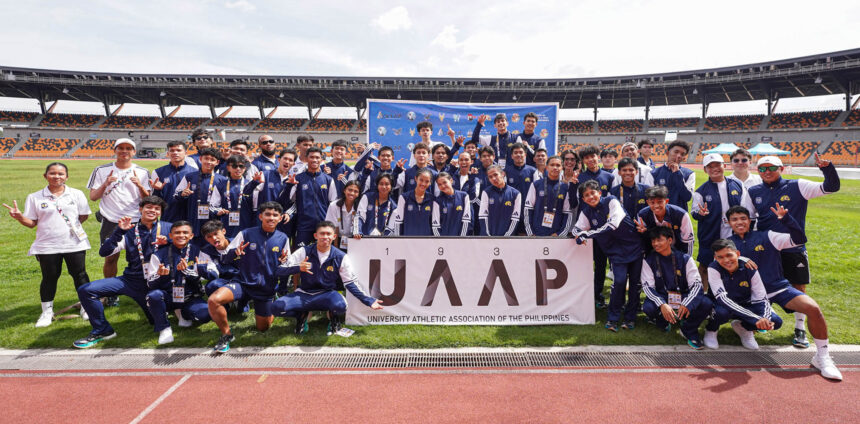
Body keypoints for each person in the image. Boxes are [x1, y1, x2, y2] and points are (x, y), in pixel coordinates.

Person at [726, 205, 842, 380]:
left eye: (743, 218)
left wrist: (787, 220)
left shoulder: (768, 236)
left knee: (813, 308)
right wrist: (741, 258)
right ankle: (744, 327)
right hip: (751, 295)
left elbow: (800, 239)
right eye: (734, 219)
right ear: (728, 223)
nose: (739, 222)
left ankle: (822, 357)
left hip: (777, 288)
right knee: (772, 321)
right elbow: (721, 264)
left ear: (750, 220)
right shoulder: (727, 243)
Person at [748, 153, 840, 348]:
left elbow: (831, 187)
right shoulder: (753, 191)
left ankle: (800, 328)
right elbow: (749, 219)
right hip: (768, 249)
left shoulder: (798, 185)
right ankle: (759, 321)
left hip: (793, 245)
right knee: (762, 285)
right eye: (762, 168)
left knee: (798, 287)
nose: (767, 172)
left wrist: (828, 169)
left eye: (772, 168)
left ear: (781, 169)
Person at [73, 196, 171, 348]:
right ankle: (103, 330)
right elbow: (104, 252)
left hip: (156, 283)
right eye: (148, 207)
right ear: (141, 209)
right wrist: (119, 231)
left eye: (157, 208)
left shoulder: (169, 228)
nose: (152, 210)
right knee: (86, 290)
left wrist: (169, 242)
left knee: (154, 320)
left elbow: (185, 249)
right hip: (131, 280)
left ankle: (166, 312)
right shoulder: (129, 230)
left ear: (161, 212)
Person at [5, 163, 91, 327]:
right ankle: (47, 312)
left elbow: (83, 216)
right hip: (47, 245)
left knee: (80, 275)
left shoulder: (76, 194)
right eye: (52, 173)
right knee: (49, 277)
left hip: (74, 244)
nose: (57, 176)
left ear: (67, 177)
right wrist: (19, 217)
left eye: (61, 174)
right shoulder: (35, 197)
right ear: (45, 176)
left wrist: (67, 229)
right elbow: (31, 223)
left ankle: (87, 307)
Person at [272, 221, 384, 335]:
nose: (325, 237)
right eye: (322, 233)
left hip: (327, 294)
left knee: (340, 306)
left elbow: (350, 282)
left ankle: (333, 317)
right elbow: (279, 271)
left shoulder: (341, 256)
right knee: (276, 307)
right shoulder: (304, 251)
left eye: (328, 234)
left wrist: (368, 300)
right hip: (304, 294)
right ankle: (302, 315)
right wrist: (298, 268)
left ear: (334, 236)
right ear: (316, 236)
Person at [207, 202, 291, 353]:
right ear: (260, 216)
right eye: (267, 214)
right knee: (214, 300)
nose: (271, 218)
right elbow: (224, 259)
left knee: (263, 328)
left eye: (275, 215)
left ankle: (272, 303)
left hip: (265, 289)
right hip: (243, 283)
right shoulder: (245, 234)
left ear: (280, 218)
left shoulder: (283, 238)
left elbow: (286, 265)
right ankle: (227, 335)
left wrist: (283, 262)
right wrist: (235, 253)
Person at [87, 138, 151, 306]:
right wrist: (106, 184)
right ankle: (110, 294)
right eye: (120, 148)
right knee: (110, 258)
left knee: (141, 258)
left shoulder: (143, 172)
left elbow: (148, 200)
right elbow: (93, 196)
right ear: (115, 150)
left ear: (134, 152)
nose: (124, 151)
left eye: (128, 148)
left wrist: (140, 186)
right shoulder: (101, 170)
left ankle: (145, 291)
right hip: (111, 219)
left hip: (135, 220)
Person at [572, 181, 644, 331]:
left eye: (593, 193)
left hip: (634, 247)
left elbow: (613, 224)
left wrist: (587, 234)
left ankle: (630, 318)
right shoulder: (586, 212)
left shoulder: (612, 201)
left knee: (635, 284)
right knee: (619, 281)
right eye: (586, 195)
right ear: (583, 199)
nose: (591, 197)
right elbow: (577, 229)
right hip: (615, 253)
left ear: (599, 192)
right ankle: (613, 318)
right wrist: (579, 235)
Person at [641, 226, 713, 350]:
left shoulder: (685, 259)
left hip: (683, 295)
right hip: (663, 296)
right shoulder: (648, 260)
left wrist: (687, 303)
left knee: (706, 303)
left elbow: (697, 285)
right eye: (653, 241)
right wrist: (662, 304)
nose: (655, 244)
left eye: (659, 240)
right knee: (648, 307)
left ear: (670, 240)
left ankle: (688, 329)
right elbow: (647, 287)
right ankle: (664, 322)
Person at [703, 239, 782, 351]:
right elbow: (723, 299)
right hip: (723, 305)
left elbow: (761, 297)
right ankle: (711, 330)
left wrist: (764, 318)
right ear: (715, 258)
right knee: (721, 313)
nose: (726, 260)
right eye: (720, 257)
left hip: (746, 304)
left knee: (775, 321)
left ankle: (743, 328)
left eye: (729, 255)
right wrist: (755, 318)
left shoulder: (750, 267)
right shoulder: (713, 268)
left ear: (738, 253)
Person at [143, 221, 214, 344]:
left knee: (206, 314)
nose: (181, 235)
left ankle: (183, 313)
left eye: (185, 232)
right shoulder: (158, 255)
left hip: (190, 297)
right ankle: (164, 328)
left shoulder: (199, 252)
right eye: (177, 233)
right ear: (170, 235)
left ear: (191, 235)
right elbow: (150, 284)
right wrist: (159, 275)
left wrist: (188, 272)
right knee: (153, 296)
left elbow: (212, 274)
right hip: (168, 297)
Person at [692, 153, 754, 289]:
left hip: (734, 233)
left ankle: (735, 292)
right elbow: (694, 213)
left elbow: (745, 208)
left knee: (735, 263)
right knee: (705, 265)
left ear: (724, 166)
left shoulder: (737, 184)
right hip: (710, 234)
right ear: (705, 170)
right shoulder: (701, 191)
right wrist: (700, 213)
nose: (715, 169)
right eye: (710, 166)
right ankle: (703, 294)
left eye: (717, 165)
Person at [577, 145, 613, 307]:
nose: (590, 159)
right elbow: (575, 203)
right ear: (583, 161)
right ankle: (581, 292)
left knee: (600, 263)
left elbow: (613, 202)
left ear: (598, 157)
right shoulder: (579, 177)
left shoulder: (609, 176)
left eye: (593, 156)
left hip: (604, 229)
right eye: (587, 157)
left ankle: (597, 294)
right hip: (585, 226)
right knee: (583, 262)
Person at [285, 147, 338, 247]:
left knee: (323, 252)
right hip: (304, 226)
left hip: (323, 224)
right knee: (300, 253)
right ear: (307, 158)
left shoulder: (328, 179)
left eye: (317, 157)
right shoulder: (298, 178)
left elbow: (333, 202)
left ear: (321, 159)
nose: (314, 160)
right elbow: (291, 200)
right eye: (312, 157)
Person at [173, 147, 226, 239]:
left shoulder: (222, 180)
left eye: (212, 160)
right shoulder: (189, 177)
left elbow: (225, 201)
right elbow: (175, 195)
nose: (208, 162)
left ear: (217, 162)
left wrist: (219, 211)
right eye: (206, 158)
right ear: (201, 159)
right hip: (193, 218)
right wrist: (182, 194)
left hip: (213, 220)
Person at [636, 185, 694, 256]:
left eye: (660, 202)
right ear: (648, 202)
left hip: (678, 252)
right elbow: (642, 243)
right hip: (654, 253)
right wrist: (644, 232)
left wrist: (685, 260)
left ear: (666, 201)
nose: (656, 206)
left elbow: (688, 242)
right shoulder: (642, 215)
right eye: (652, 202)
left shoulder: (681, 215)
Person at [524, 156, 573, 237]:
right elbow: (528, 209)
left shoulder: (565, 187)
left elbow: (567, 213)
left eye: (558, 165)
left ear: (562, 168)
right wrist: (531, 233)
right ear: (546, 167)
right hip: (536, 234)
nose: (555, 168)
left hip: (556, 235)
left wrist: (560, 234)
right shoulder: (536, 184)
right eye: (552, 165)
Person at [151, 140, 196, 223]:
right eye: (172, 150)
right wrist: (157, 190)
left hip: (190, 217)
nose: (175, 153)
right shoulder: (158, 172)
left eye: (178, 150)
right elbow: (155, 201)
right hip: (168, 217)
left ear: (186, 153)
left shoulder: (195, 172)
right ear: (168, 153)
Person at [217, 155, 259, 237]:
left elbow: (255, 208)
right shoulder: (221, 185)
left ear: (245, 168)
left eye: (241, 166)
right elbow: (214, 205)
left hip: (246, 223)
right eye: (234, 166)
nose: (238, 169)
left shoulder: (251, 184)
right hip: (226, 224)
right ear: (228, 167)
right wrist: (219, 211)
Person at [505, 143, 541, 234]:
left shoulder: (533, 171)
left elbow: (537, 191)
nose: (518, 155)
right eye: (515, 152)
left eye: (521, 152)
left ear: (525, 154)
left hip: (528, 210)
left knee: (528, 235)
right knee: (511, 235)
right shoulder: (506, 171)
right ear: (512, 156)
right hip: (511, 210)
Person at [388, 169, 435, 236]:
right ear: (416, 179)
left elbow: (434, 224)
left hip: (426, 240)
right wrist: (398, 240)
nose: (423, 184)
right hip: (408, 239)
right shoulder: (404, 197)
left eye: (427, 181)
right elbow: (398, 223)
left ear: (430, 183)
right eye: (421, 180)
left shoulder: (432, 199)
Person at [650, 140, 695, 211]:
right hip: (659, 214)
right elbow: (650, 198)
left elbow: (687, 197)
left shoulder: (689, 174)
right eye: (676, 152)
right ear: (667, 153)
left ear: (684, 158)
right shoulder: (654, 173)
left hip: (679, 214)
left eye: (682, 154)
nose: (679, 156)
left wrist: (677, 174)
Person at [478, 165, 521, 236]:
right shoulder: (486, 192)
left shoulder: (515, 194)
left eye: (495, 175)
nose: (494, 178)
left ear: (503, 174)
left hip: (507, 237)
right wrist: (488, 236)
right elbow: (483, 216)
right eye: (490, 177)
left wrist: (507, 236)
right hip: (488, 237)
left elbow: (515, 218)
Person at [325, 180, 361, 250]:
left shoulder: (360, 207)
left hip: (355, 239)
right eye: (350, 190)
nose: (352, 193)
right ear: (344, 190)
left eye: (356, 191)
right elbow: (333, 227)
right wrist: (335, 248)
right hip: (337, 238)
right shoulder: (334, 205)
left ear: (359, 194)